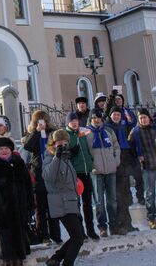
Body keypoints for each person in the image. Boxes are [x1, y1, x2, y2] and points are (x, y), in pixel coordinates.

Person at [0, 137, 33, 266]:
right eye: (1, 149)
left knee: (19, 233)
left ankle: (19, 259)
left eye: (6, 148)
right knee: (3, 236)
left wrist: (30, 204)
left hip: (19, 207)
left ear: (11, 150)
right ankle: (7, 260)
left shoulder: (19, 162)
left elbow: (28, 185)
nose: (4, 151)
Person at [43, 130, 85, 266]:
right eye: (59, 143)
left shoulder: (67, 159)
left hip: (70, 201)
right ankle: (66, 263)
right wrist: (57, 157)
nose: (62, 145)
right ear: (53, 144)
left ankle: (55, 258)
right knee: (78, 237)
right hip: (60, 202)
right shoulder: (49, 157)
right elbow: (48, 176)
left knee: (77, 236)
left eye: (65, 143)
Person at [22, 110, 63, 245]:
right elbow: (27, 146)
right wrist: (37, 132)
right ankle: (43, 235)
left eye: (43, 121)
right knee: (40, 207)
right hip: (38, 173)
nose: (42, 123)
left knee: (53, 206)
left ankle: (56, 235)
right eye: (38, 121)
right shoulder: (32, 134)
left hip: (52, 171)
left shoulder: (52, 132)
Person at [86, 109, 121, 237]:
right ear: (91, 119)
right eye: (94, 118)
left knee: (112, 200)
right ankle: (102, 227)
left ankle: (114, 225)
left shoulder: (109, 131)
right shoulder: (86, 134)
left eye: (99, 118)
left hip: (111, 169)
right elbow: (85, 152)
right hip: (96, 171)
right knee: (99, 201)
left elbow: (116, 147)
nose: (97, 120)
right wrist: (91, 165)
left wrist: (115, 160)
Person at [105, 90, 144, 204]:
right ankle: (128, 198)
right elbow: (107, 109)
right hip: (119, 153)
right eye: (116, 100)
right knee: (124, 177)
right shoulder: (108, 126)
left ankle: (141, 197)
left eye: (120, 99)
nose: (118, 101)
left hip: (130, 151)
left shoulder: (127, 116)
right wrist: (111, 96)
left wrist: (130, 119)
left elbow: (134, 126)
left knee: (138, 175)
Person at [65, 112, 97, 240]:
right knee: (76, 204)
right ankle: (80, 232)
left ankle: (91, 230)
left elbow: (89, 147)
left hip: (86, 171)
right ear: (68, 122)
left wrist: (90, 160)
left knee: (88, 203)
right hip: (74, 173)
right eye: (71, 121)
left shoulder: (83, 133)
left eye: (76, 120)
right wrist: (70, 153)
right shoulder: (66, 135)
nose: (74, 122)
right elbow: (62, 153)